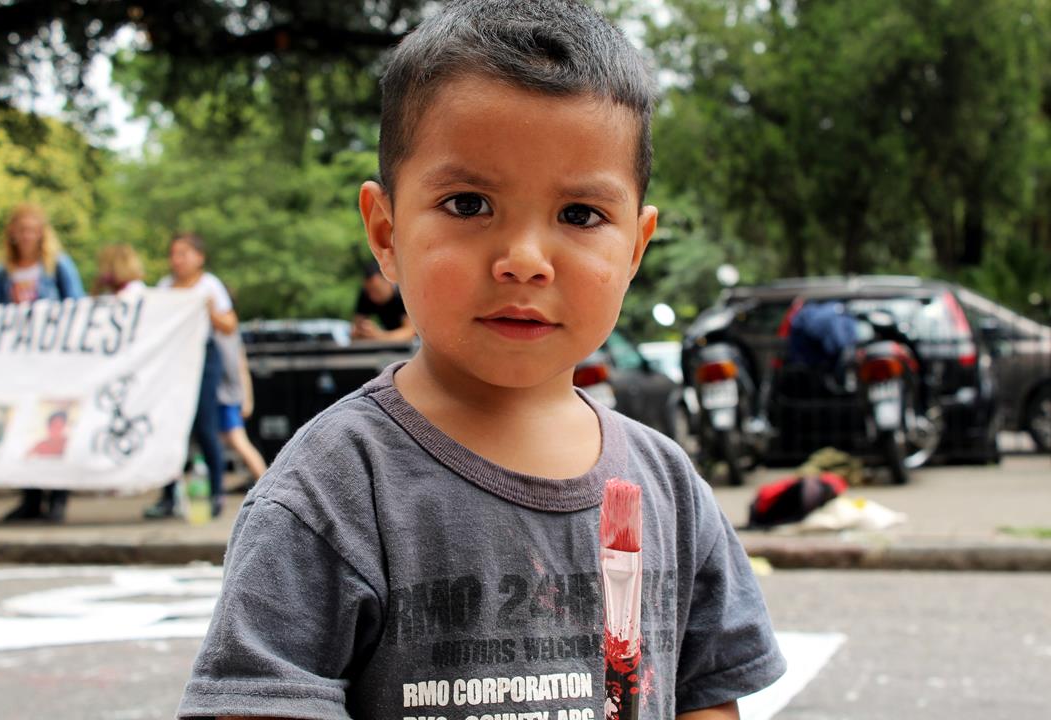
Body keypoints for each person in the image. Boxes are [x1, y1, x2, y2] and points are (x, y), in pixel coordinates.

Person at [178, 2, 785, 718]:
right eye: (468, 204)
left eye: (580, 215)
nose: (523, 259)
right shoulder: (333, 487)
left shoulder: (669, 489)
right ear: (386, 231)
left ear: (634, 248)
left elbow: (706, 696)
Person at [0, 202, 84, 522]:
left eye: (32, 230)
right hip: (19, 364)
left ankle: (58, 498)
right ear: (12, 233)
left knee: (55, 423)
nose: (27, 236)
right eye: (21, 230)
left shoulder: (57, 266)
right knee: (23, 427)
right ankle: (31, 497)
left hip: (54, 361)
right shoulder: (2, 273)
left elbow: (78, 307)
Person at [144, 232, 237, 520]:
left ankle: (216, 493)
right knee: (169, 426)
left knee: (205, 425)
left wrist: (209, 311)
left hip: (202, 359)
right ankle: (169, 494)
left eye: (183, 254)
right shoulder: (165, 287)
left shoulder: (209, 286)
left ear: (199, 257)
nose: (177, 260)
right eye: (173, 254)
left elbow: (229, 325)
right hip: (172, 360)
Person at [215, 288, 267, 490]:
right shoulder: (227, 330)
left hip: (226, 395)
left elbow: (240, 366)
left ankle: (266, 485)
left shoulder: (226, 330)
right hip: (226, 395)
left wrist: (247, 398)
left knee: (239, 441)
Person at [350, 259, 416, 341]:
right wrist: (361, 332)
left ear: (388, 280)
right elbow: (356, 324)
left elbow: (410, 332)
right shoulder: (366, 294)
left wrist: (379, 336)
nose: (372, 296)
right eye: (369, 291)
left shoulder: (402, 294)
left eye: (376, 290)